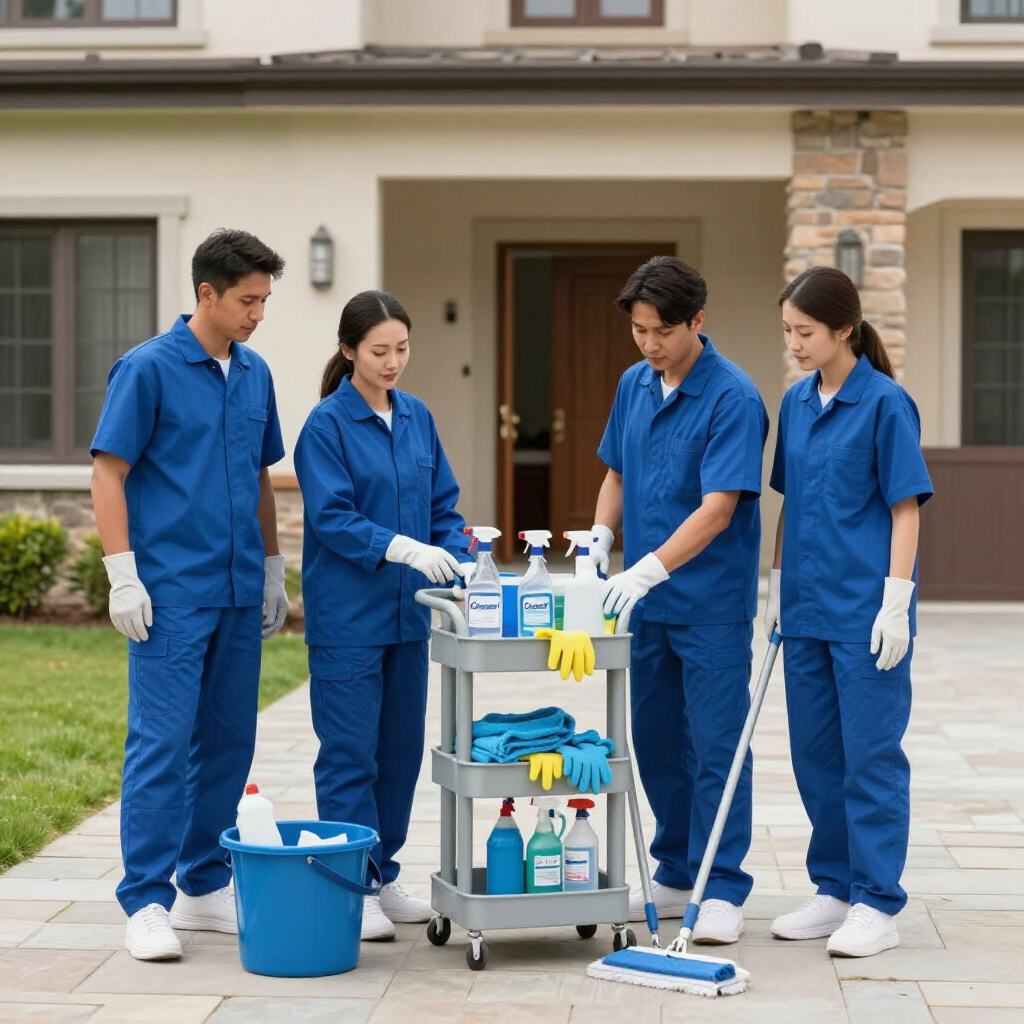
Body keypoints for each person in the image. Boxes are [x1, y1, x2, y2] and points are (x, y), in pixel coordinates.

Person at [90, 229, 288, 961]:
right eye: (247, 300)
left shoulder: (256, 373)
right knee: (162, 744)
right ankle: (145, 898)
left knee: (231, 742)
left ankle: (204, 884)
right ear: (206, 293)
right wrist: (122, 573)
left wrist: (272, 567)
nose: (257, 314)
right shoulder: (147, 369)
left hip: (238, 588)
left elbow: (264, 477)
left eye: (264, 301)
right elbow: (108, 471)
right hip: (171, 591)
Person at [592, 256, 769, 944]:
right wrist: (601, 538)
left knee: (716, 743)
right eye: (638, 331)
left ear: (698, 320)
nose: (649, 344)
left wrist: (647, 569)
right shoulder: (634, 384)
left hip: (710, 605)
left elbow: (719, 508)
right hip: (648, 608)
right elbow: (616, 471)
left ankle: (722, 885)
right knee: (656, 738)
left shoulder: (733, 396)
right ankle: (674, 867)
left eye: (661, 331)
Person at [765, 266, 933, 958]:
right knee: (816, 759)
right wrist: (775, 585)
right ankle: (833, 888)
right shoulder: (797, 404)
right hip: (804, 611)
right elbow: (790, 503)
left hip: (867, 615)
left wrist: (897, 599)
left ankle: (876, 901)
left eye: (805, 333)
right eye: (787, 333)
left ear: (844, 330)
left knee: (870, 759)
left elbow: (904, 507)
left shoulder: (887, 403)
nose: (795, 345)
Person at [293, 290, 468, 942]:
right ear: (349, 352)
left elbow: (443, 504)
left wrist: (455, 556)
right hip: (348, 620)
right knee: (349, 756)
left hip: (408, 618)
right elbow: (333, 517)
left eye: (402, 348)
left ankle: (382, 874)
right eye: (379, 351)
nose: (393, 362)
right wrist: (401, 548)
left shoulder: (417, 417)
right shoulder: (326, 426)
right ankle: (351, 883)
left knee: (397, 755)